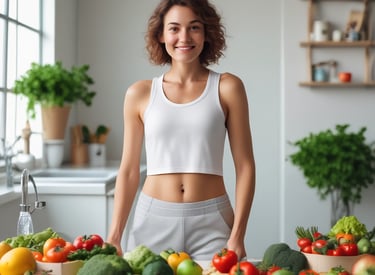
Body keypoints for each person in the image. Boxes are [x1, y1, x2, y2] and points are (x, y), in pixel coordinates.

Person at [107, 0, 256, 260]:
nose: (184, 37)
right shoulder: (139, 93)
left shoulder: (228, 87)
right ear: (161, 35)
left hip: (213, 221)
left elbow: (245, 166)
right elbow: (129, 170)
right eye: (174, 28)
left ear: (206, 33)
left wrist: (238, 235)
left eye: (194, 27)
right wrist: (114, 235)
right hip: (152, 220)